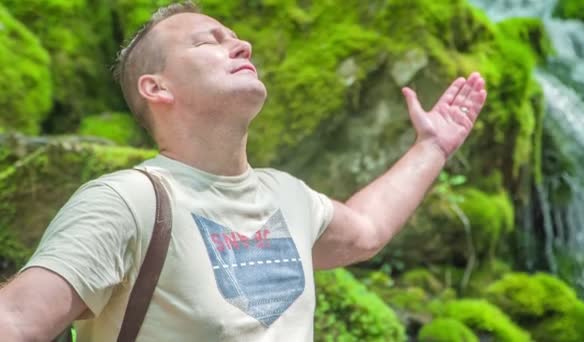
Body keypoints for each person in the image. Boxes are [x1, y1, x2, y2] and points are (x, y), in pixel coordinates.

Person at [0, 1, 487, 341]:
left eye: (235, 37)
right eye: (209, 41)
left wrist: (433, 147)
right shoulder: (127, 201)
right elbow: (18, 321)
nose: (243, 45)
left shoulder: (288, 196)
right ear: (157, 87)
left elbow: (367, 231)